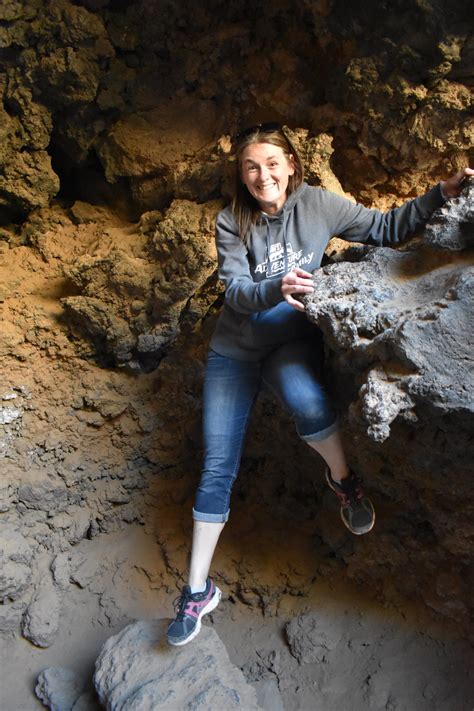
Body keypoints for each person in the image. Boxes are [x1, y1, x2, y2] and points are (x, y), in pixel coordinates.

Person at [166, 122, 473, 646]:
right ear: (242, 177)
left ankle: (344, 482)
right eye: (250, 168)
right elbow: (237, 292)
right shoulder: (230, 221)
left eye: (271, 164)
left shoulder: (318, 205)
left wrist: (439, 195)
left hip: (290, 342)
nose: (262, 175)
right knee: (217, 464)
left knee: (310, 405)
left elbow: (386, 227)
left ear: (290, 165)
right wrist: (274, 286)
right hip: (233, 352)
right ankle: (197, 592)